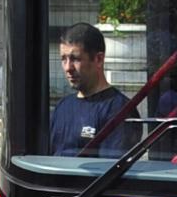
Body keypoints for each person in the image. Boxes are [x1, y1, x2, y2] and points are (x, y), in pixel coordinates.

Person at [46, 22, 134, 159]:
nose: (68, 67)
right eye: (63, 59)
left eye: (75, 59)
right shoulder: (62, 108)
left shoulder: (119, 110)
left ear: (98, 59)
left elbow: (109, 171)